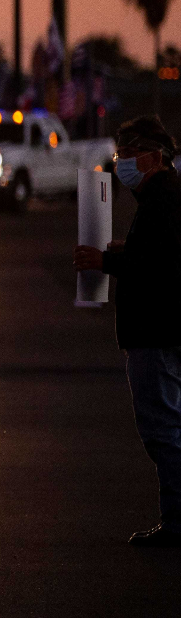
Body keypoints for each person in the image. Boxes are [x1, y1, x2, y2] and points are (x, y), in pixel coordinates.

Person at [74, 115, 181, 548]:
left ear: (154, 158)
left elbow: (160, 266)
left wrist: (108, 262)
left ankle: (176, 522)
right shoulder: (164, 195)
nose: (121, 165)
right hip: (162, 327)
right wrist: (125, 250)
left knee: (163, 428)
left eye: (128, 156)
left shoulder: (162, 200)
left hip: (155, 330)